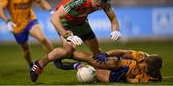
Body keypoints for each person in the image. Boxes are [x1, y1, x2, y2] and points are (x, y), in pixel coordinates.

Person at [0, 0, 54, 69]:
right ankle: (30, 64)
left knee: (43, 39)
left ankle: (56, 60)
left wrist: (50, 10)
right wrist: (7, 21)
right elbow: (0, 9)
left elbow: (41, 1)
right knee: (26, 50)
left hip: (30, 21)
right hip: (17, 25)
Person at [51, 0, 121, 69]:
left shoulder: (103, 2)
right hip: (65, 20)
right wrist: (67, 36)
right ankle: (55, 60)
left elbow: (113, 18)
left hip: (81, 20)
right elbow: (54, 18)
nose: (99, 8)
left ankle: (99, 71)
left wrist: (115, 30)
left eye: (101, 7)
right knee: (69, 49)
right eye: (97, 6)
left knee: (97, 53)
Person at [29, 49, 162, 83]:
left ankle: (76, 65)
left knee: (92, 74)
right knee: (97, 60)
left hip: (120, 76)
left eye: (145, 69)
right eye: (143, 65)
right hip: (120, 64)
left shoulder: (152, 77)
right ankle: (68, 55)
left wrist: (128, 79)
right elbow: (122, 52)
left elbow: (129, 80)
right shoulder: (142, 56)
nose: (142, 67)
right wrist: (105, 54)